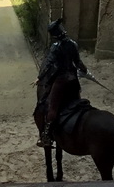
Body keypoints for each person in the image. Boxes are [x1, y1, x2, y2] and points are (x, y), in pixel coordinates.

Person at [34, 19, 87, 147]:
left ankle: (46, 135)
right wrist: (84, 70)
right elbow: (78, 62)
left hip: (61, 81)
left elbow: (48, 65)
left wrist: (39, 78)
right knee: (75, 101)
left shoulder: (55, 47)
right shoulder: (73, 44)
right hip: (73, 79)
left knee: (52, 107)